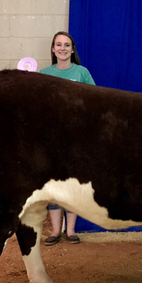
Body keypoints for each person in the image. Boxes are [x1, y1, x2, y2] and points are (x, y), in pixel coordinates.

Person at [39, 31, 95, 244]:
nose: (62, 48)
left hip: (75, 138)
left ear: (72, 50)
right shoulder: (44, 73)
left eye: (67, 45)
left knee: (71, 184)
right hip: (51, 139)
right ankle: (55, 231)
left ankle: (70, 231)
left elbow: (94, 100)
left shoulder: (82, 73)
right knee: (53, 186)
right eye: (58, 45)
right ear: (53, 49)